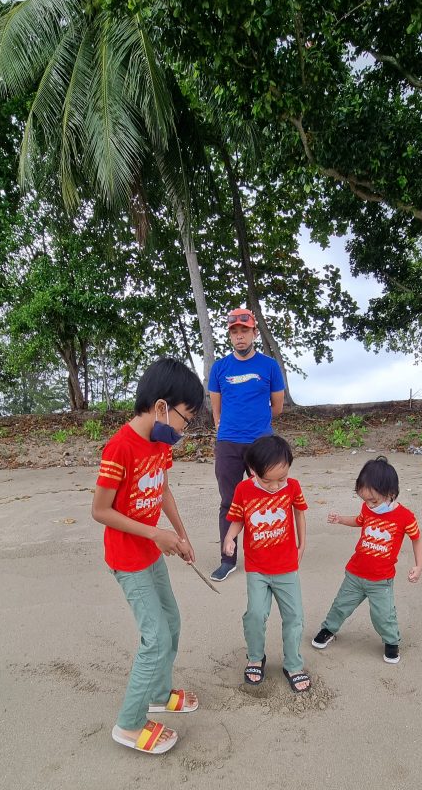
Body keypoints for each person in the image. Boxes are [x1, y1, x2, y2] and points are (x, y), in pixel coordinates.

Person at [91, 358, 204, 755]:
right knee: (154, 637)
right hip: (127, 557)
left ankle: (158, 692)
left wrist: (182, 535)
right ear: (160, 407)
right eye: (185, 419)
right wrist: (156, 533)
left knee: (171, 619)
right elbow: (100, 510)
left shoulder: (160, 444)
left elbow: (164, 491)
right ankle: (130, 723)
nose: (184, 430)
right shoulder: (120, 447)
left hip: (151, 550)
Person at [312, 456, 422, 663]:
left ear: (391, 493)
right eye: (365, 500)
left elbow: (416, 539)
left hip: (381, 580)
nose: (369, 505)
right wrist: (340, 520)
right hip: (355, 573)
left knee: (383, 615)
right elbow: (359, 521)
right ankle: (328, 629)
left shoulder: (405, 517)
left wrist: (418, 566)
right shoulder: (367, 509)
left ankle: (391, 641)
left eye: (373, 500)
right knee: (340, 605)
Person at [223, 434, 311, 693]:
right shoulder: (243, 490)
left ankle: (293, 664)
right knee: (256, 614)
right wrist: (230, 537)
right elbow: (238, 518)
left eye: (281, 479)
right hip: (258, 568)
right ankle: (255, 657)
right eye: (267, 480)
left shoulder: (292, 487)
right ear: (252, 471)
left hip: (286, 566)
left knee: (294, 616)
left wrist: (302, 544)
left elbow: (300, 512)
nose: (275, 487)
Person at [208, 308, 285, 582]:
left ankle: (265, 552)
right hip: (228, 443)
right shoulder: (219, 368)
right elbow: (216, 409)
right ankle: (227, 558)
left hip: (261, 443)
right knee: (230, 501)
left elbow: (277, 407)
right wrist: (225, 426)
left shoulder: (269, 366)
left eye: (244, 331)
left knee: (265, 498)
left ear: (254, 333)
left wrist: (257, 425)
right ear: (230, 336)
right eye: (234, 333)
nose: (239, 337)